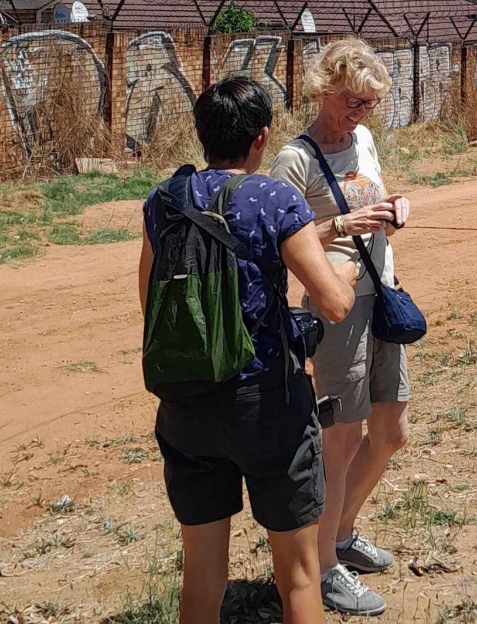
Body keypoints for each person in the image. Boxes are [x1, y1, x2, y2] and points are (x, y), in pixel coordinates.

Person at [137, 76, 357, 624]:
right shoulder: (274, 198)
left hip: (186, 402)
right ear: (261, 138)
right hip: (267, 404)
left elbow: (151, 301)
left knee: (201, 577)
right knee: (299, 574)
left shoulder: (165, 200)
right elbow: (332, 303)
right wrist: (347, 268)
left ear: (201, 135)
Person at [271, 39, 411, 617]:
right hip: (336, 307)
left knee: (392, 431)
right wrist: (340, 226)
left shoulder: (364, 141)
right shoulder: (294, 160)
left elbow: (375, 195)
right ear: (324, 90)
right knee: (341, 438)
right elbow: (276, 243)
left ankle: (343, 534)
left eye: (370, 105)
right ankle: (324, 565)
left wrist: (397, 209)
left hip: (383, 293)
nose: (361, 115)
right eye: (354, 102)